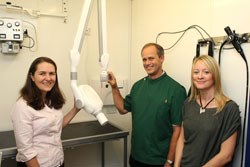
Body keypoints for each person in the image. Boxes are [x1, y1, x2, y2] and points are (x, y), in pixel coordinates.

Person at [108, 43, 187, 167]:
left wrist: (169, 161)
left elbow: (178, 130)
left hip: (160, 161)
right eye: (144, 59)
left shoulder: (176, 90)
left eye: (151, 58)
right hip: (136, 157)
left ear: (161, 58)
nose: (147, 63)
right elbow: (122, 108)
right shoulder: (138, 86)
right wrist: (114, 87)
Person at [11, 57, 80, 167]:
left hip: (57, 161)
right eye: (42, 73)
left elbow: (56, 126)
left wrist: (75, 109)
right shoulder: (22, 106)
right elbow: (26, 150)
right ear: (32, 77)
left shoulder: (52, 100)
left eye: (52, 74)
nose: (48, 78)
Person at [174, 55, 241, 167]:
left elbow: (226, 155)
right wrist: (176, 165)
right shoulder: (188, 103)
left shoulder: (229, 108)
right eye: (196, 72)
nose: (200, 76)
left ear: (215, 76)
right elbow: (182, 138)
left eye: (206, 72)